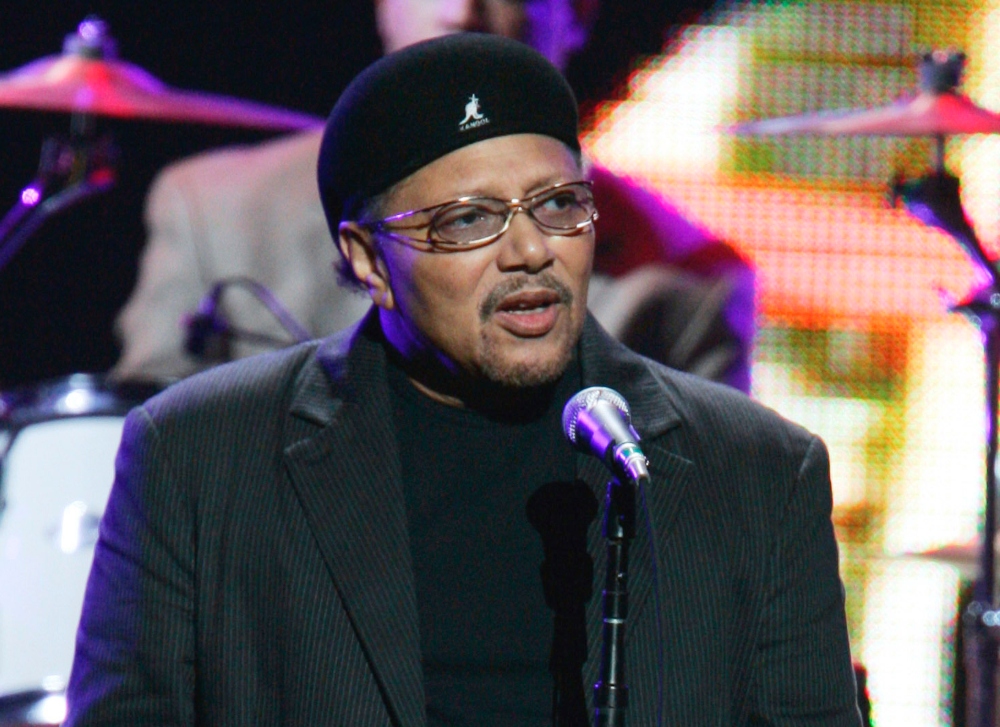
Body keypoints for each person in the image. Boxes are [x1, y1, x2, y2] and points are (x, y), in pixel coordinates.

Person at [66, 34, 860, 726]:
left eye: (557, 205)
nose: (530, 251)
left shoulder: (756, 472)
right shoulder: (199, 456)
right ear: (369, 261)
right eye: (469, 220)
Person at [110, 0, 754, 393]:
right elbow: (134, 459)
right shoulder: (211, 207)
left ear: (579, 11)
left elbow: (695, 550)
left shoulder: (687, 285)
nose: (460, 11)